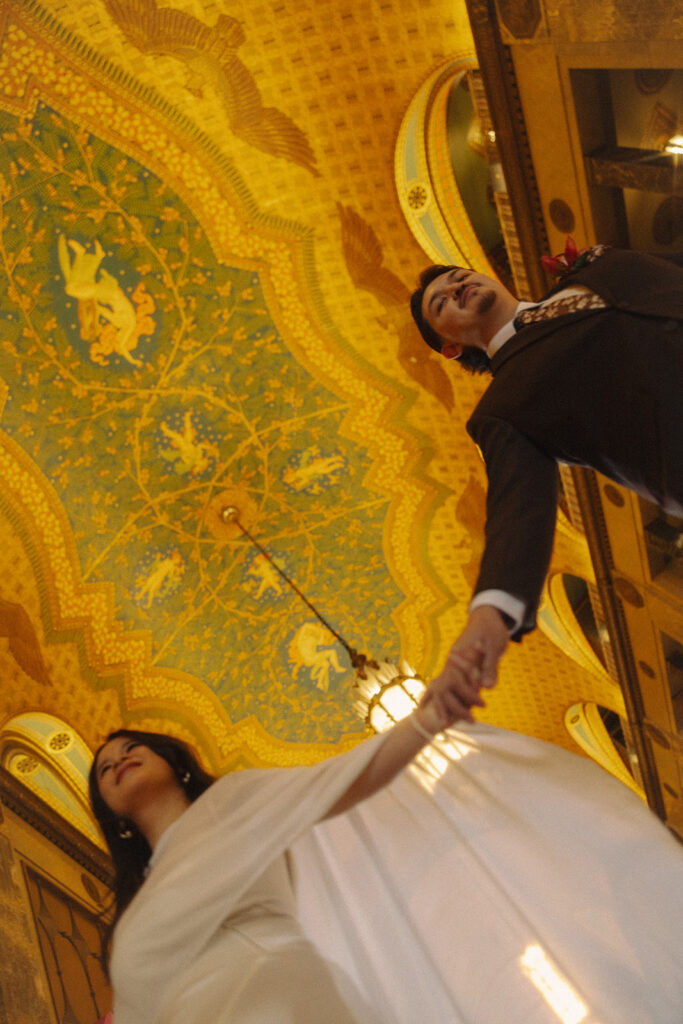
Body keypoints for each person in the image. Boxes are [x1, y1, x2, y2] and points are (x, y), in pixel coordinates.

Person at [89, 666, 683, 1024]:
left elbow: (344, 781)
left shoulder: (232, 804)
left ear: (172, 759)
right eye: (104, 766)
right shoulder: (137, 912)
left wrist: (429, 716)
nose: (118, 760)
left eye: (130, 746)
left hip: (275, 997)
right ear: (111, 816)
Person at [410, 243, 683, 707]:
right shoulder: (504, 409)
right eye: (442, 303)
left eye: (458, 276)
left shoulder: (594, 268)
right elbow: (518, 511)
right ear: (450, 348)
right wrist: (490, 616)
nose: (457, 287)